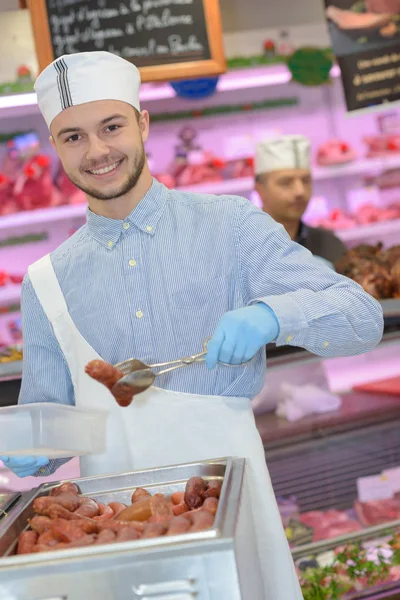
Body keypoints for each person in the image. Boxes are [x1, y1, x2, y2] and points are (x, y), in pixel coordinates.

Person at [0, 52, 383, 599]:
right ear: (55, 147)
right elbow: (59, 424)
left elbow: (362, 319)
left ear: (143, 123)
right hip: (114, 534)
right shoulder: (44, 281)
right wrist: (32, 450)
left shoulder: (230, 226)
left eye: (111, 127)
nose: (98, 151)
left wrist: (273, 315)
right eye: (73, 137)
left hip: (236, 525)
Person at [255, 134, 347, 266]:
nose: (300, 191)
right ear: (260, 190)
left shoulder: (330, 245)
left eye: (306, 181)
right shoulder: (241, 249)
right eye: (286, 182)